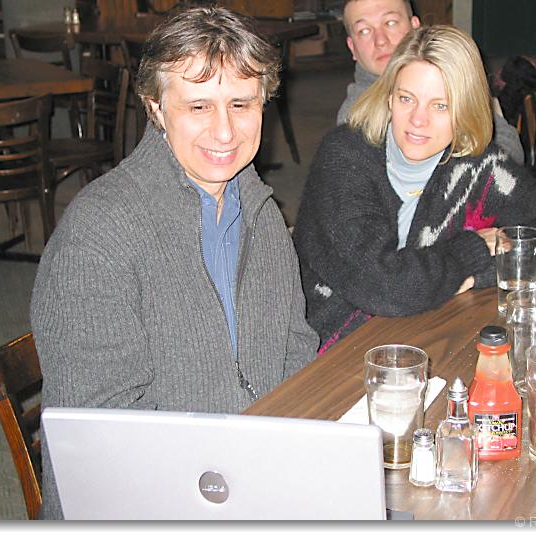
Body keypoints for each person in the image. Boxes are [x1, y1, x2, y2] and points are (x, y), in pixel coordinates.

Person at [30, 7, 319, 519]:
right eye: (199, 106)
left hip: (250, 476)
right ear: (157, 108)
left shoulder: (262, 211)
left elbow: (295, 349)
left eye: (241, 104)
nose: (225, 132)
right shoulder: (97, 238)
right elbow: (103, 444)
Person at [293, 25, 536, 350]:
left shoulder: (479, 166)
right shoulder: (345, 157)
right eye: (406, 99)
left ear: (465, 109)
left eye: (440, 105)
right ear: (388, 98)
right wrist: (470, 252)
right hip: (333, 344)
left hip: (424, 329)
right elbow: (385, 288)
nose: (418, 120)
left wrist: (475, 275)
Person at [336, 0, 525, 165]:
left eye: (391, 23)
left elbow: (508, 145)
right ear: (352, 47)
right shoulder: (355, 120)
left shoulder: (447, 76)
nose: (380, 40)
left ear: (415, 28)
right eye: (364, 31)